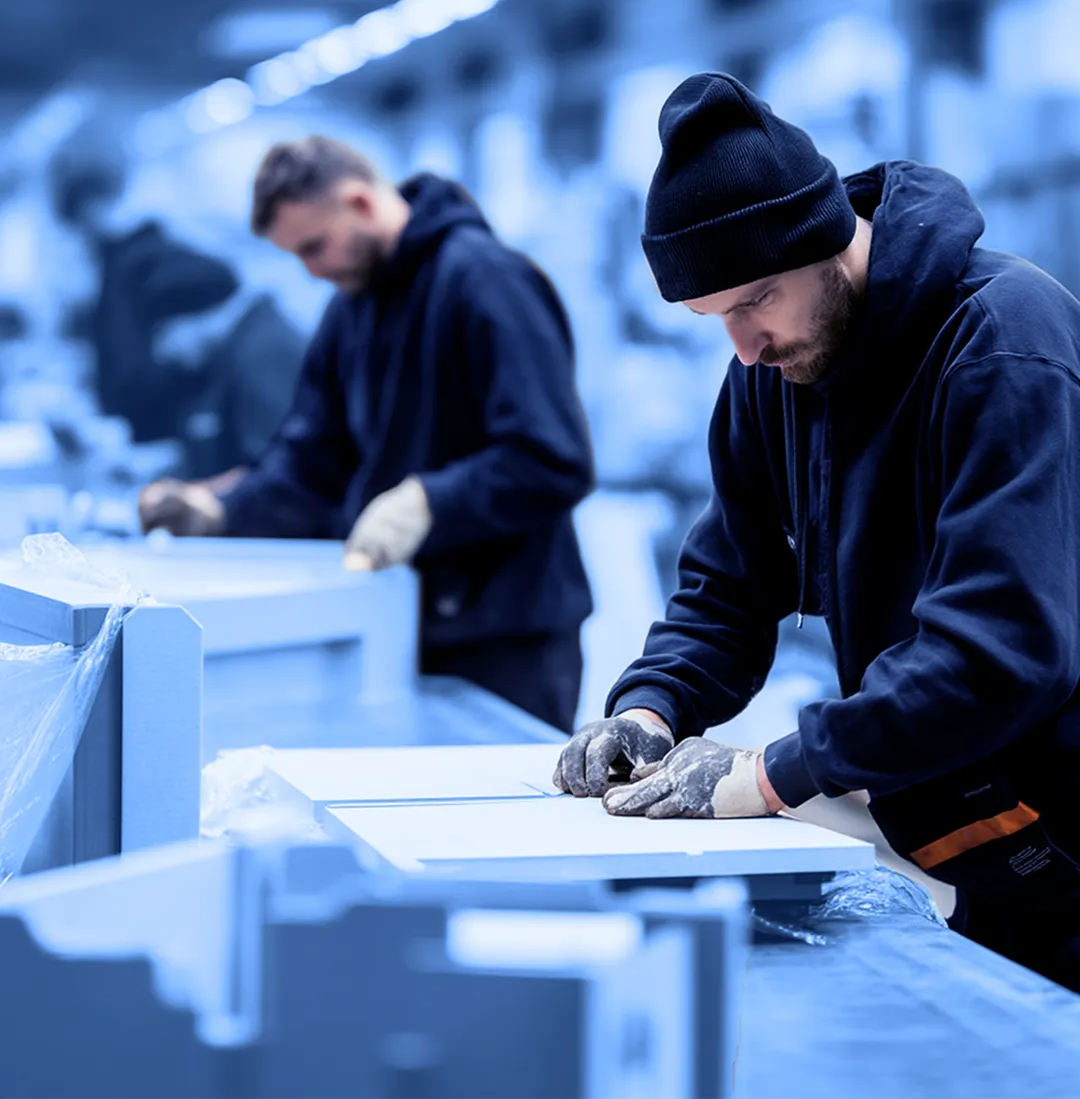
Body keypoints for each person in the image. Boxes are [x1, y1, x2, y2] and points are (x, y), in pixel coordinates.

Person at [553, 72, 1080, 990]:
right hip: (967, 822)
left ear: (828, 240)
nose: (744, 347)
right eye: (713, 320)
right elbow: (729, 585)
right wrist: (651, 708)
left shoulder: (1003, 344)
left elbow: (1003, 650)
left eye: (755, 301)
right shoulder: (774, 376)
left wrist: (775, 772)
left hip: (1066, 820)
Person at [140, 136, 594, 732]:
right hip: (399, 623)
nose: (312, 270)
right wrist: (218, 510)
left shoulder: (486, 280)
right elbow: (309, 463)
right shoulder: (350, 310)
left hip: (507, 639)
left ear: (359, 201)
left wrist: (430, 502)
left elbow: (553, 457)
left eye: (315, 246)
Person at [52, 143, 243, 469]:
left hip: (163, 427)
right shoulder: (111, 263)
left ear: (94, 207)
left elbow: (223, 277)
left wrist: (172, 352)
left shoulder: (142, 255)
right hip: (135, 429)